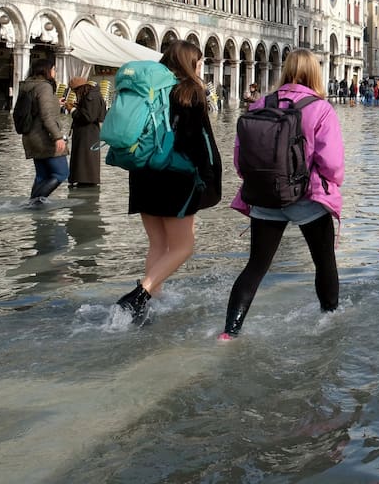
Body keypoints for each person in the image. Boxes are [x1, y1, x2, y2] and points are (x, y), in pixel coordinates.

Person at [220, 48, 344, 339]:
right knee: (324, 262)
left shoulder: (259, 104)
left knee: (256, 266)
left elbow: (241, 159)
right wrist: (332, 185)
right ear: (315, 73)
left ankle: (229, 332)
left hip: (265, 195)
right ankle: (330, 321)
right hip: (307, 198)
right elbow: (333, 164)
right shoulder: (320, 108)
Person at [116, 40, 223, 323]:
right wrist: (210, 177)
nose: (201, 68)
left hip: (141, 173)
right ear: (190, 63)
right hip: (175, 178)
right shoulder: (190, 91)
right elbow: (201, 142)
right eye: (199, 62)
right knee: (183, 247)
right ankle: (139, 295)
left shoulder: (150, 88)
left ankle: (152, 302)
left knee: (158, 245)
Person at [19, 58, 68, 207]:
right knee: (61, 174)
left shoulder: (27, 85)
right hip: (44, 137)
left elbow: (36, 108)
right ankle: (34, 203)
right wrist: (58, 137)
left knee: (42, 176)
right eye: (53, 69)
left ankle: (34, 204)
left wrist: (55, 102)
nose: (55, 72)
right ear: (47, 70)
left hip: (29, 136)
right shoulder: (44, 87)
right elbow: (47, 117)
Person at [67, 76, 106, 188]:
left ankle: (85, 179)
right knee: (85, 159)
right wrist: (78, 106)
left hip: (87, 134)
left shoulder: (90, 97)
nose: (75, 93)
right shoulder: (93, 94)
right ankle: (83, 178)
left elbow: (88, 117)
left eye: (75, 91)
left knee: (85, 159)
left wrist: (73, 110)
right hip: (90, 133)